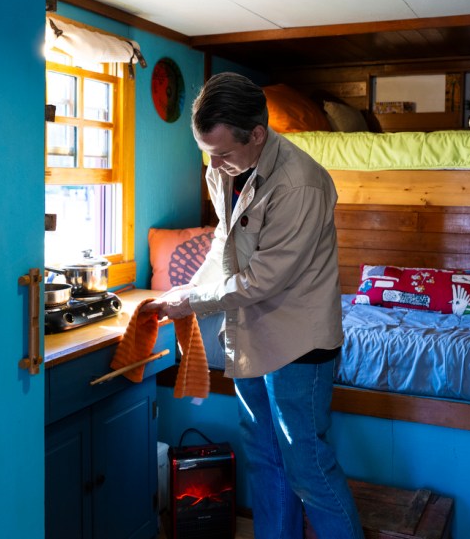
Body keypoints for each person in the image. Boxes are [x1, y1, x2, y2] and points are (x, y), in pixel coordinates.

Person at [144, 72, 363, 539]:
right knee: (265, 460)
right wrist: (186, 289)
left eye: (222, 152)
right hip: (250, 334)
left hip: (298, 343)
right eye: (207, 152)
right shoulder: (224, 167)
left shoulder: (301, 185)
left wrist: (195, 300)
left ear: (257, 134)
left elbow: (264, 278)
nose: (214, 163)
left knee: (309, 469)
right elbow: (224, 240)